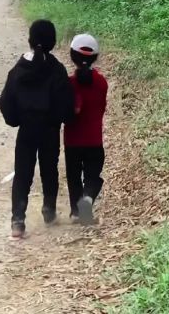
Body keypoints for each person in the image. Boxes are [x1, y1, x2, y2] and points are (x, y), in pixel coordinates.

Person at [0, 20, 74, 238]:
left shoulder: (19, 69)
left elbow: (6, 101)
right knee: (50, 169)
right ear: (53, 42)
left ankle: (18, 221)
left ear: (30, 40)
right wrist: (61, 119)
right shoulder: (57, 69)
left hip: (27, 130)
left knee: (22, 173)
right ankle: (49, 211)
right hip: (49, 129)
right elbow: (66, 103)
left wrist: (16, 120)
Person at [64, 33, 108, 225]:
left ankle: (75, 212)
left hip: (72, 140)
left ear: (72, 56)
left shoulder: (68, 84)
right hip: (94, 140)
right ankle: (88, 198)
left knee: (74, 177)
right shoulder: (101, 83)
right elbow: (101, 108)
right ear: (95, 57)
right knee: (92, 176)